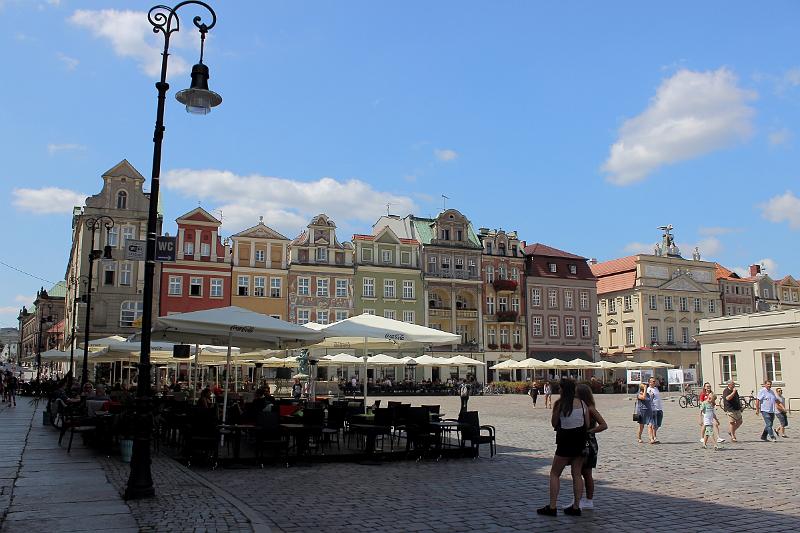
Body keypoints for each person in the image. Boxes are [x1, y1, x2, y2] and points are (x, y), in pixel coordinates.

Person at [537, 378, 589, 517]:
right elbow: (587, 424)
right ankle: (576, 507)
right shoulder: (583, 404)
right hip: (580, 442)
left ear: (563, 390)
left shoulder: (560, 404)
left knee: (555, 473)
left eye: (560, 388)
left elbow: (554, 423)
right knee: (577, 474)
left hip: (565, 441)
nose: (558, 390)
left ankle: (552, 506)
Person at [575, 384, 608, 510]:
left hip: (589, 443)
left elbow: (604, 425)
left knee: (587, 473)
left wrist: (590, 431)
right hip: (578, 441)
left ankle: (588, 500)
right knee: (577, 472)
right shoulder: (578, 407)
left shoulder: (590, 408)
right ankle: (577, 499)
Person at [646, 377, 663, 443]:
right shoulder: (648, 390)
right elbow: (648, 400)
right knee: (652, 424)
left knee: (658, 424)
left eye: (655, 381)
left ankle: (654, 436)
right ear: (649, 382)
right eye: (653, 381)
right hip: (652, 409)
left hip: (659, 408)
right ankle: (653, 437)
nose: (654, 382)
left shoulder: (656, 388)